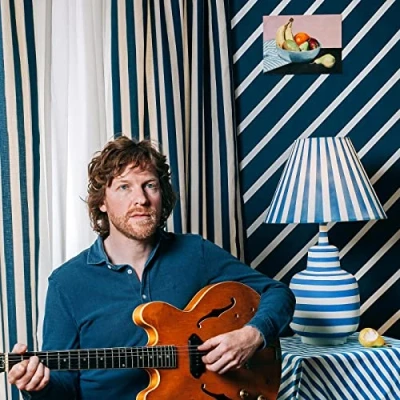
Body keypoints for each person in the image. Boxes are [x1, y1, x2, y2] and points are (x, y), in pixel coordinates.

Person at [8, 136, 295, 399]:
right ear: (102, 202)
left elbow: (278, 293)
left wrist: (252, 335)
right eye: (124, 187)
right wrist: (38, 386)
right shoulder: (67, 283)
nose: (141, 199)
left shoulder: (195, 253)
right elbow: (63, 389)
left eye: (150, 185)